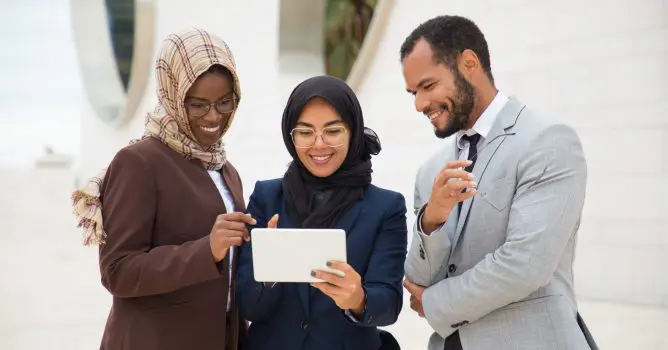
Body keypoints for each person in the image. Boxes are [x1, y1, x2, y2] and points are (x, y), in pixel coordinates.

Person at [399, 15, 597, 350]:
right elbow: (419, 280)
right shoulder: (431, 169)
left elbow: (525, 265)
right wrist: (431, 220)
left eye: (428, 86)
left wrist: (435, 302)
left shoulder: (547, 140)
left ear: (469, 63)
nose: (419, 104)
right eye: (413, 92)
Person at [71, 28, 252, 350]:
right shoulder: (139, 162)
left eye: (225, 102)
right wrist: (206, 249)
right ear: (173, 95)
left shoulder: (224, 169)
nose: (214, 117)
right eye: (198, 105)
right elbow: (118, 270)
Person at [236, 75, 407, 350]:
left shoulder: (386, 208)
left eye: (332, 131)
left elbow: (389, 304)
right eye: (305, 132)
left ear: (352, 131)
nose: (318, 145)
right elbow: (247, 307)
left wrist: (359, 299)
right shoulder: (266, 198)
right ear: (290, 136)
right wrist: (268, 274)